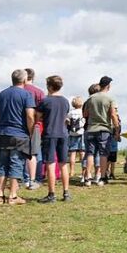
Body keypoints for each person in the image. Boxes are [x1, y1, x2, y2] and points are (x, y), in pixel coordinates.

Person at [0, 69, 35, 205]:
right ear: (24, 80)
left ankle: (0, 195)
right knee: (16, 163)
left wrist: (0, 127)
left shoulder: (2, 94)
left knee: (2, 164)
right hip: (19, 134)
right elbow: (29, 115)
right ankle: (13, 196)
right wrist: (30, 131)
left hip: (3, 133)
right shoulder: (26, 95)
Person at [36, 75, 72, 203]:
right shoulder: (65, 101)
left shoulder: (45, 101)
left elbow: (37, 117)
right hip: (63, 134)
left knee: (51, 164)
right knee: (63, 164)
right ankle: (66, 193)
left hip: (50, 133)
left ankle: (52, 194)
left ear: (50, 86)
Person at [83, 76, 120, 186]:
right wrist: (116, 128)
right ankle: (102, 177)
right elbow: (113, 115)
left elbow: (85, 114)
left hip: (91, 128)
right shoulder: (110, 99)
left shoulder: (91, 98)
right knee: (103, 154)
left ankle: (88, 177)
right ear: (108, 86)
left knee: (90, 153)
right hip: (104, 129)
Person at [22, 68, 45, 189]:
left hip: (20, 125)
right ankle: (37, 177)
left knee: (22, 153)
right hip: (36, 125)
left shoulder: (20, 90)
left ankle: (24, 178)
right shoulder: (39, 92)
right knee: (37, 152)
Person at [67, 96, 86, 178]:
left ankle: (71, 171)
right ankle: (83, 172)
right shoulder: (83, 112)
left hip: (72, 134)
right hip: (81, 133)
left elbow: (67, 121)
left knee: (72, 153)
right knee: (82, 153)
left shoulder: (70, 113)